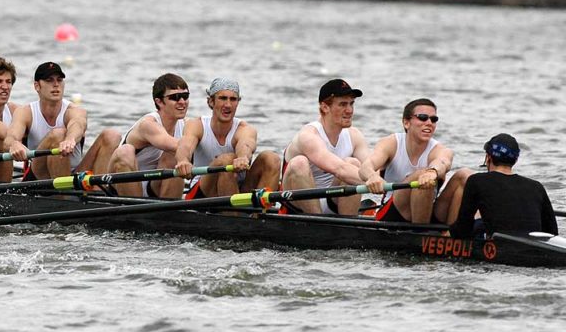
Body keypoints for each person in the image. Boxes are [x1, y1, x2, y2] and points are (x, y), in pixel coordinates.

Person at [360, 98, 471, 224]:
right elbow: (365, 166)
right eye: (423, 117)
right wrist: (372, 177)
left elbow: (443, 162)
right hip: (393, 213)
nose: (429, 122)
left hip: (428, 210)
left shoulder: (440, 149)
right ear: (406, 123)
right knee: (420, 175)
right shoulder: (391, 143)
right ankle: (420, 235)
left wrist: (432, 171)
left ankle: (452, 235)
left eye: (433, 119)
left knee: (465, 175)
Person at [5, 61, 120, 179]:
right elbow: (10, 137)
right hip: (40, 175)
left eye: (59, 80)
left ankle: (97, 192)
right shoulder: (25, 112)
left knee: (112, 135)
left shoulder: (75, 110)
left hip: (76, 173)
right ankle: (63, 196)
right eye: (49, 80)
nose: (56, 84)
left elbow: (78, 124)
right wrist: (14, 144)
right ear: (37, 86)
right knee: (58, 134)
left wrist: (70, 139)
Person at [175, 78, 281, 199]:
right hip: (203, 192)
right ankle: (233, 215)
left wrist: (242, 157)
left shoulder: (245, 129)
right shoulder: (197, 125)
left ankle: (260, 214)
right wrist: (183, 161)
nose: (228, 105)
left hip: (239, 189)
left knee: (272, 158)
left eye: (233, 99)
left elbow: (245, 145)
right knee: (227, 160)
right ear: (211, 102)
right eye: (223, 98)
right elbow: (185, 146)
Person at [281, 78, 372, 214]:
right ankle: (316, 224)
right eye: (342, 104)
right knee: (299, 163)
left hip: (333, 201)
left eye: (351, 104)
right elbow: (339, 169)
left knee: (353, 163)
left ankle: (349, 226)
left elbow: (371, 167)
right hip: (298, 203)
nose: (349, 110)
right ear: (325, 107)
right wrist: (373, 182)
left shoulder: (355, 135)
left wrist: (377, 178)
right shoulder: (309, 135)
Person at [449, 133, 558, 238]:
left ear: (488, 158)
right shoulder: (537, 187)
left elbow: (462, 231)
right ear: (515, 160)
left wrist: (448, 232)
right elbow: (552, 233)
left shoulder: (476, 181)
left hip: (499, 247)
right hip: (533, 249)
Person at [108, 73, 191, 198]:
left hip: (154, 186)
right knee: (125, 151)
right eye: (175, 97)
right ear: (159, 102)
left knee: (173, 156)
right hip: (122, 185)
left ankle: (171, 212)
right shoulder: (148, 124)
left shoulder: (187, 125)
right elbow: (173, 144)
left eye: (185, 96)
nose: (182, 102)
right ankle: (134, 211)